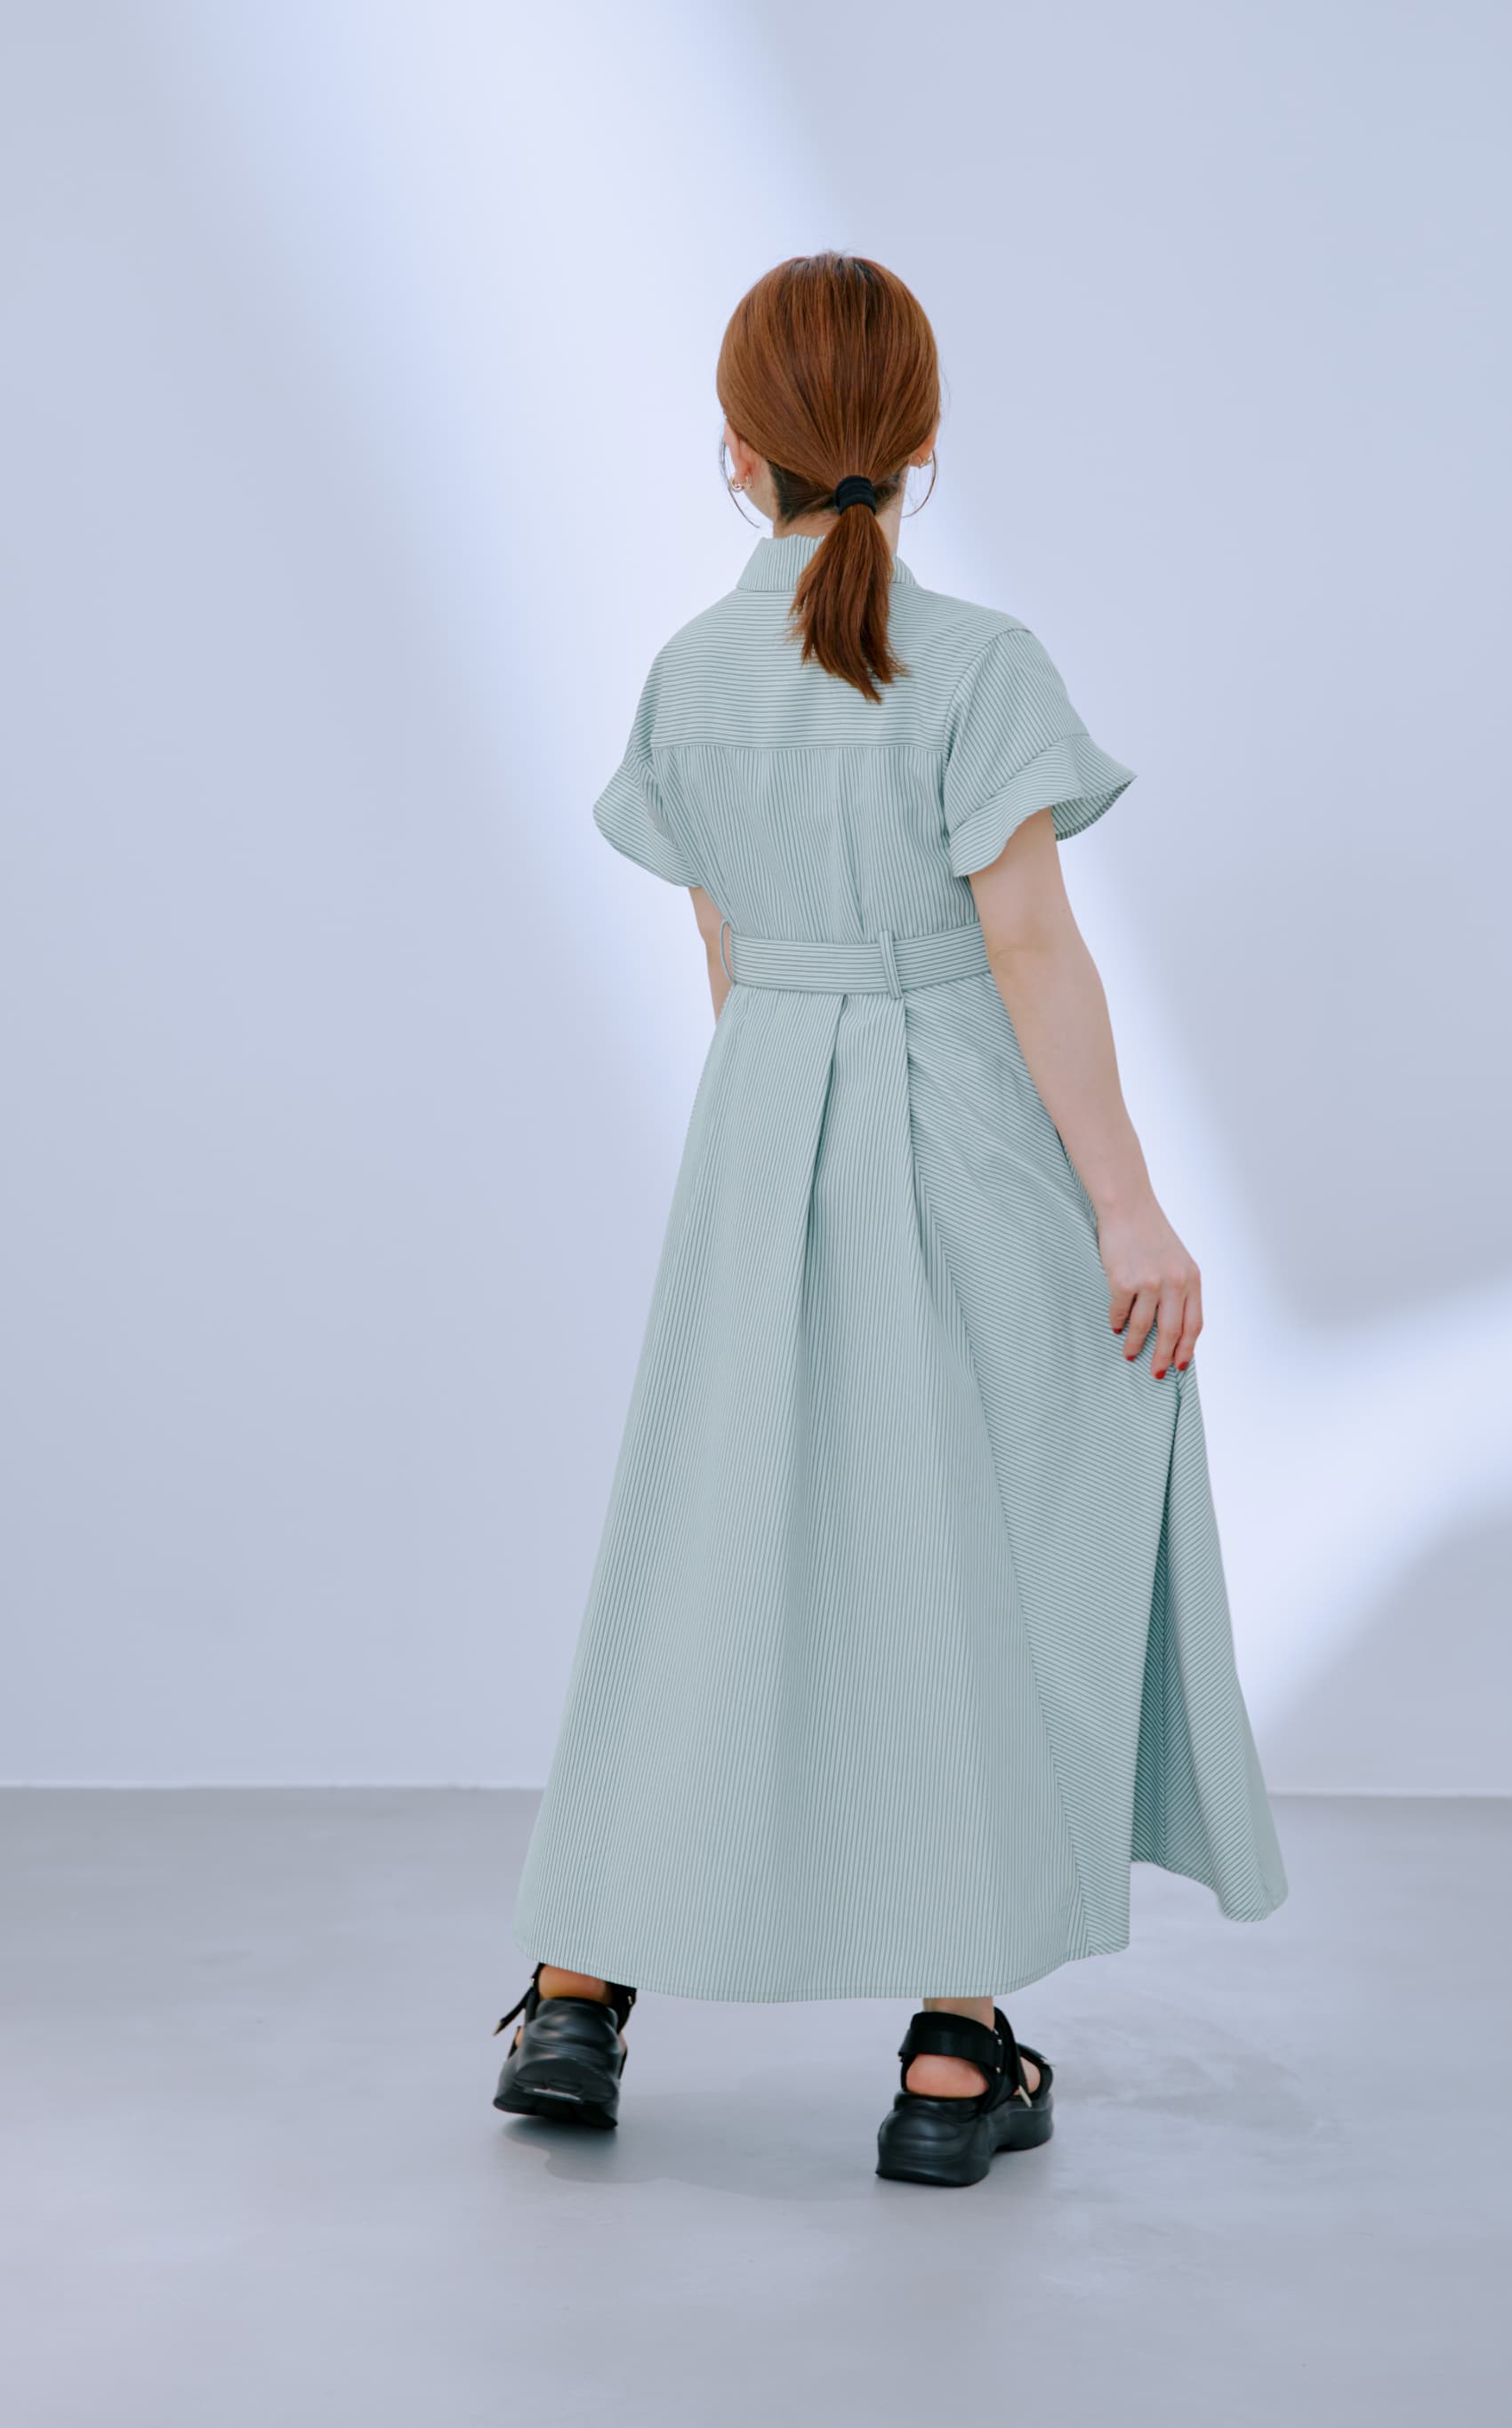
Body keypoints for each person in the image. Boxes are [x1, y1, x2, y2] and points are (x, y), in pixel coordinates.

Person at [492, 252, 1288, 2189]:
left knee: (715, 1540)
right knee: (987, 1538)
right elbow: (1028, 947)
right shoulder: (980, 663)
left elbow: (725, 952)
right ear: (921, 443)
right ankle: (952, 2048)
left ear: (735, 449)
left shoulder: (689, 674)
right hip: (956, 1124)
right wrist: (1129, 1211)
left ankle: (578, 1987)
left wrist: (782, 1150)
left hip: (763, 1122)